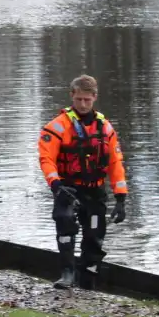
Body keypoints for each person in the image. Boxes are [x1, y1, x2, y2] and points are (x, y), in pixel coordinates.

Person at [37, 74, 129, 290]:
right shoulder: (57, 127)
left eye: (87, 100)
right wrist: (55, 184)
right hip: (67, 189)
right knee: (65, 224)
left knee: (94, 236)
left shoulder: (105, 128)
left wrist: (121, 198)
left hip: (94, 190)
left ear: (94, 97)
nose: (83, 104)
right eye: (79, 99)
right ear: (72, 96)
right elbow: (46, 159)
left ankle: (88, 278)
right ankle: (67, 273)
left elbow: (115, 163)